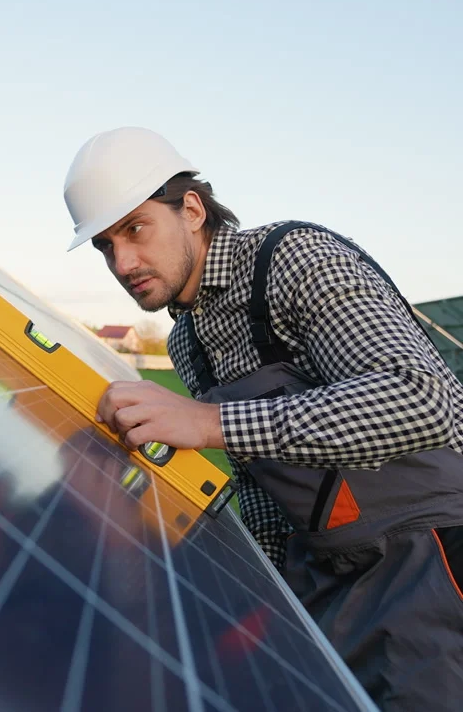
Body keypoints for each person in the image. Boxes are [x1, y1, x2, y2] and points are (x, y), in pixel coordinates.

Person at [64, 126, 463, 711]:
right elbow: (262, 490)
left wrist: (210, 424)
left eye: (135, 228)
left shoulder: (294, 259)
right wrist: (277, 599)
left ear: (191, 210)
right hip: (329, 581)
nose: (123, 262)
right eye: (105, 245)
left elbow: (424, 400)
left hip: (431, 556)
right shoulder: (188, 342)